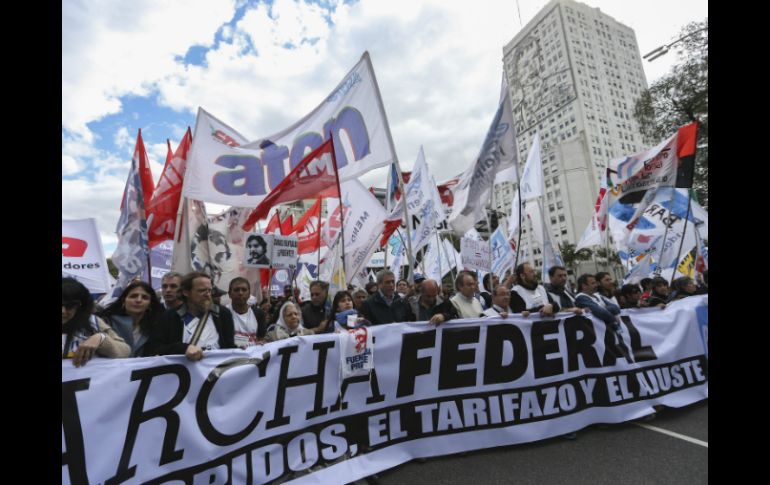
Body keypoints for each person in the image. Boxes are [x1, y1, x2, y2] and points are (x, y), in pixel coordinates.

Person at [146, 272, 236, 360]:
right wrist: (184, 348)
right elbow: (155, 349)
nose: (208, 294)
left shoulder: (223, 314)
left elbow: (229, 346)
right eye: (202, 290)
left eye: (209, 290)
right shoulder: (170, 317)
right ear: (186, 292)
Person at [62, 278, 130, 366]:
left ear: (79, 307)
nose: (63, 311)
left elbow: (125, 351)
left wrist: (101, 339)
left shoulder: (92, 322)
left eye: (70, 306)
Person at [98, 280, 163, 357]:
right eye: (133, 296)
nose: (139, 300)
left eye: (145, 297)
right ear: (123, 300)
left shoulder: (155, 327)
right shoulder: (106, 322)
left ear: (150, 304)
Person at [226, 277, 268, 348]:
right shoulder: (224, 313)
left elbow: (261, 339)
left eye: (244, 290)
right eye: (236, 290)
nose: (240, 293)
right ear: (229, 294)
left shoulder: (258, 314)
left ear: (249, 294)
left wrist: (261, 344)